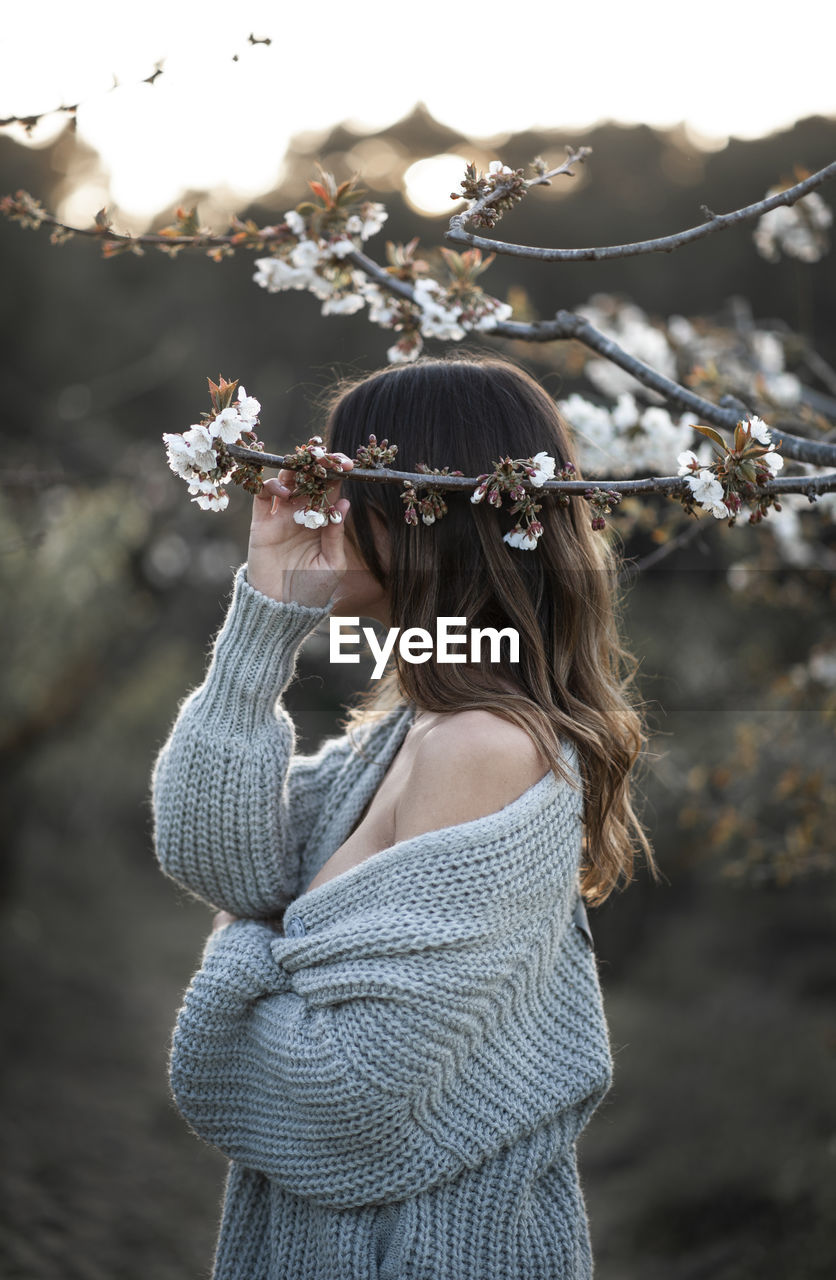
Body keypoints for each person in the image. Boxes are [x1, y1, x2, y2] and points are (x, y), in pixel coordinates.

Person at [152, 353, 657, 1279]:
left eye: (349, 489)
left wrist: (243, 950)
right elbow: (213, 859)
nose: (321, 513)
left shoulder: (481, 747)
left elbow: (344, 1093)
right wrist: (267, 617)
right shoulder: (409, 734)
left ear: (427, 513)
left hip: (426, 1253)